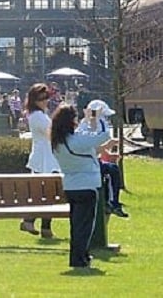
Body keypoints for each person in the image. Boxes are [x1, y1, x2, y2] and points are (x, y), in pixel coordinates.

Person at [51, 104, 112, 268]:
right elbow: (104, 135)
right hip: (87, 186)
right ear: (71, 121)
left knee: (76, 225)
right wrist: (99, 118)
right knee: (85, 226)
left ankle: (80, 256)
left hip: (70, 186)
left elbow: (84, 136)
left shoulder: (58, 142)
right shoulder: (76, 141)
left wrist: (87, 121)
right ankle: (79, 259)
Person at [20, 83, 61, 239]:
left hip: (46, 156)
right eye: (41, 98)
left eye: (46, 97)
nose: (45, 101)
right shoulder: (37, 116)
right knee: (47, 193)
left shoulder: (40, 114)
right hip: (44, 157)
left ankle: (37, 223)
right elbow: (51, 133)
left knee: (47, 193)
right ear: (34, 100)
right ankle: (35, 223)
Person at [89, 100, 128, 218]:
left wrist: (108, 154)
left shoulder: (93, 124)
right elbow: (92, 148)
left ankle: (111, 202)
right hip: (89, 164)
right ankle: (113, 202)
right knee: (112, 171)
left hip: (93, 161)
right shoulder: (92, 125)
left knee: (111, 170)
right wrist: (108, 146)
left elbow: (96, 148)